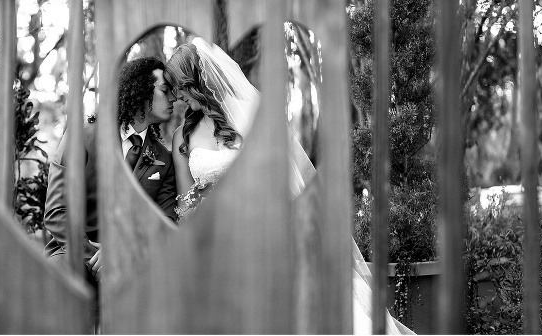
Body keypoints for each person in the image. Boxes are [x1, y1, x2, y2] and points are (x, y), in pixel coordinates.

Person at [164, 37, 413, 335]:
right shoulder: (186, 133)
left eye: (180, 87)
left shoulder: (251, 112)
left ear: (196, 80)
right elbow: (187, 200)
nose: (178, 97)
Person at [43, 56, 178, 319]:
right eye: (165, 90)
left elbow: (166, 220)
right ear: (141, 91)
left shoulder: (163, 158)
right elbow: (56, 212)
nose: (174, 98)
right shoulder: (82, 137)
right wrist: (95, 258)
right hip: (74, 254)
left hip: (133, 261)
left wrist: (119, 254)